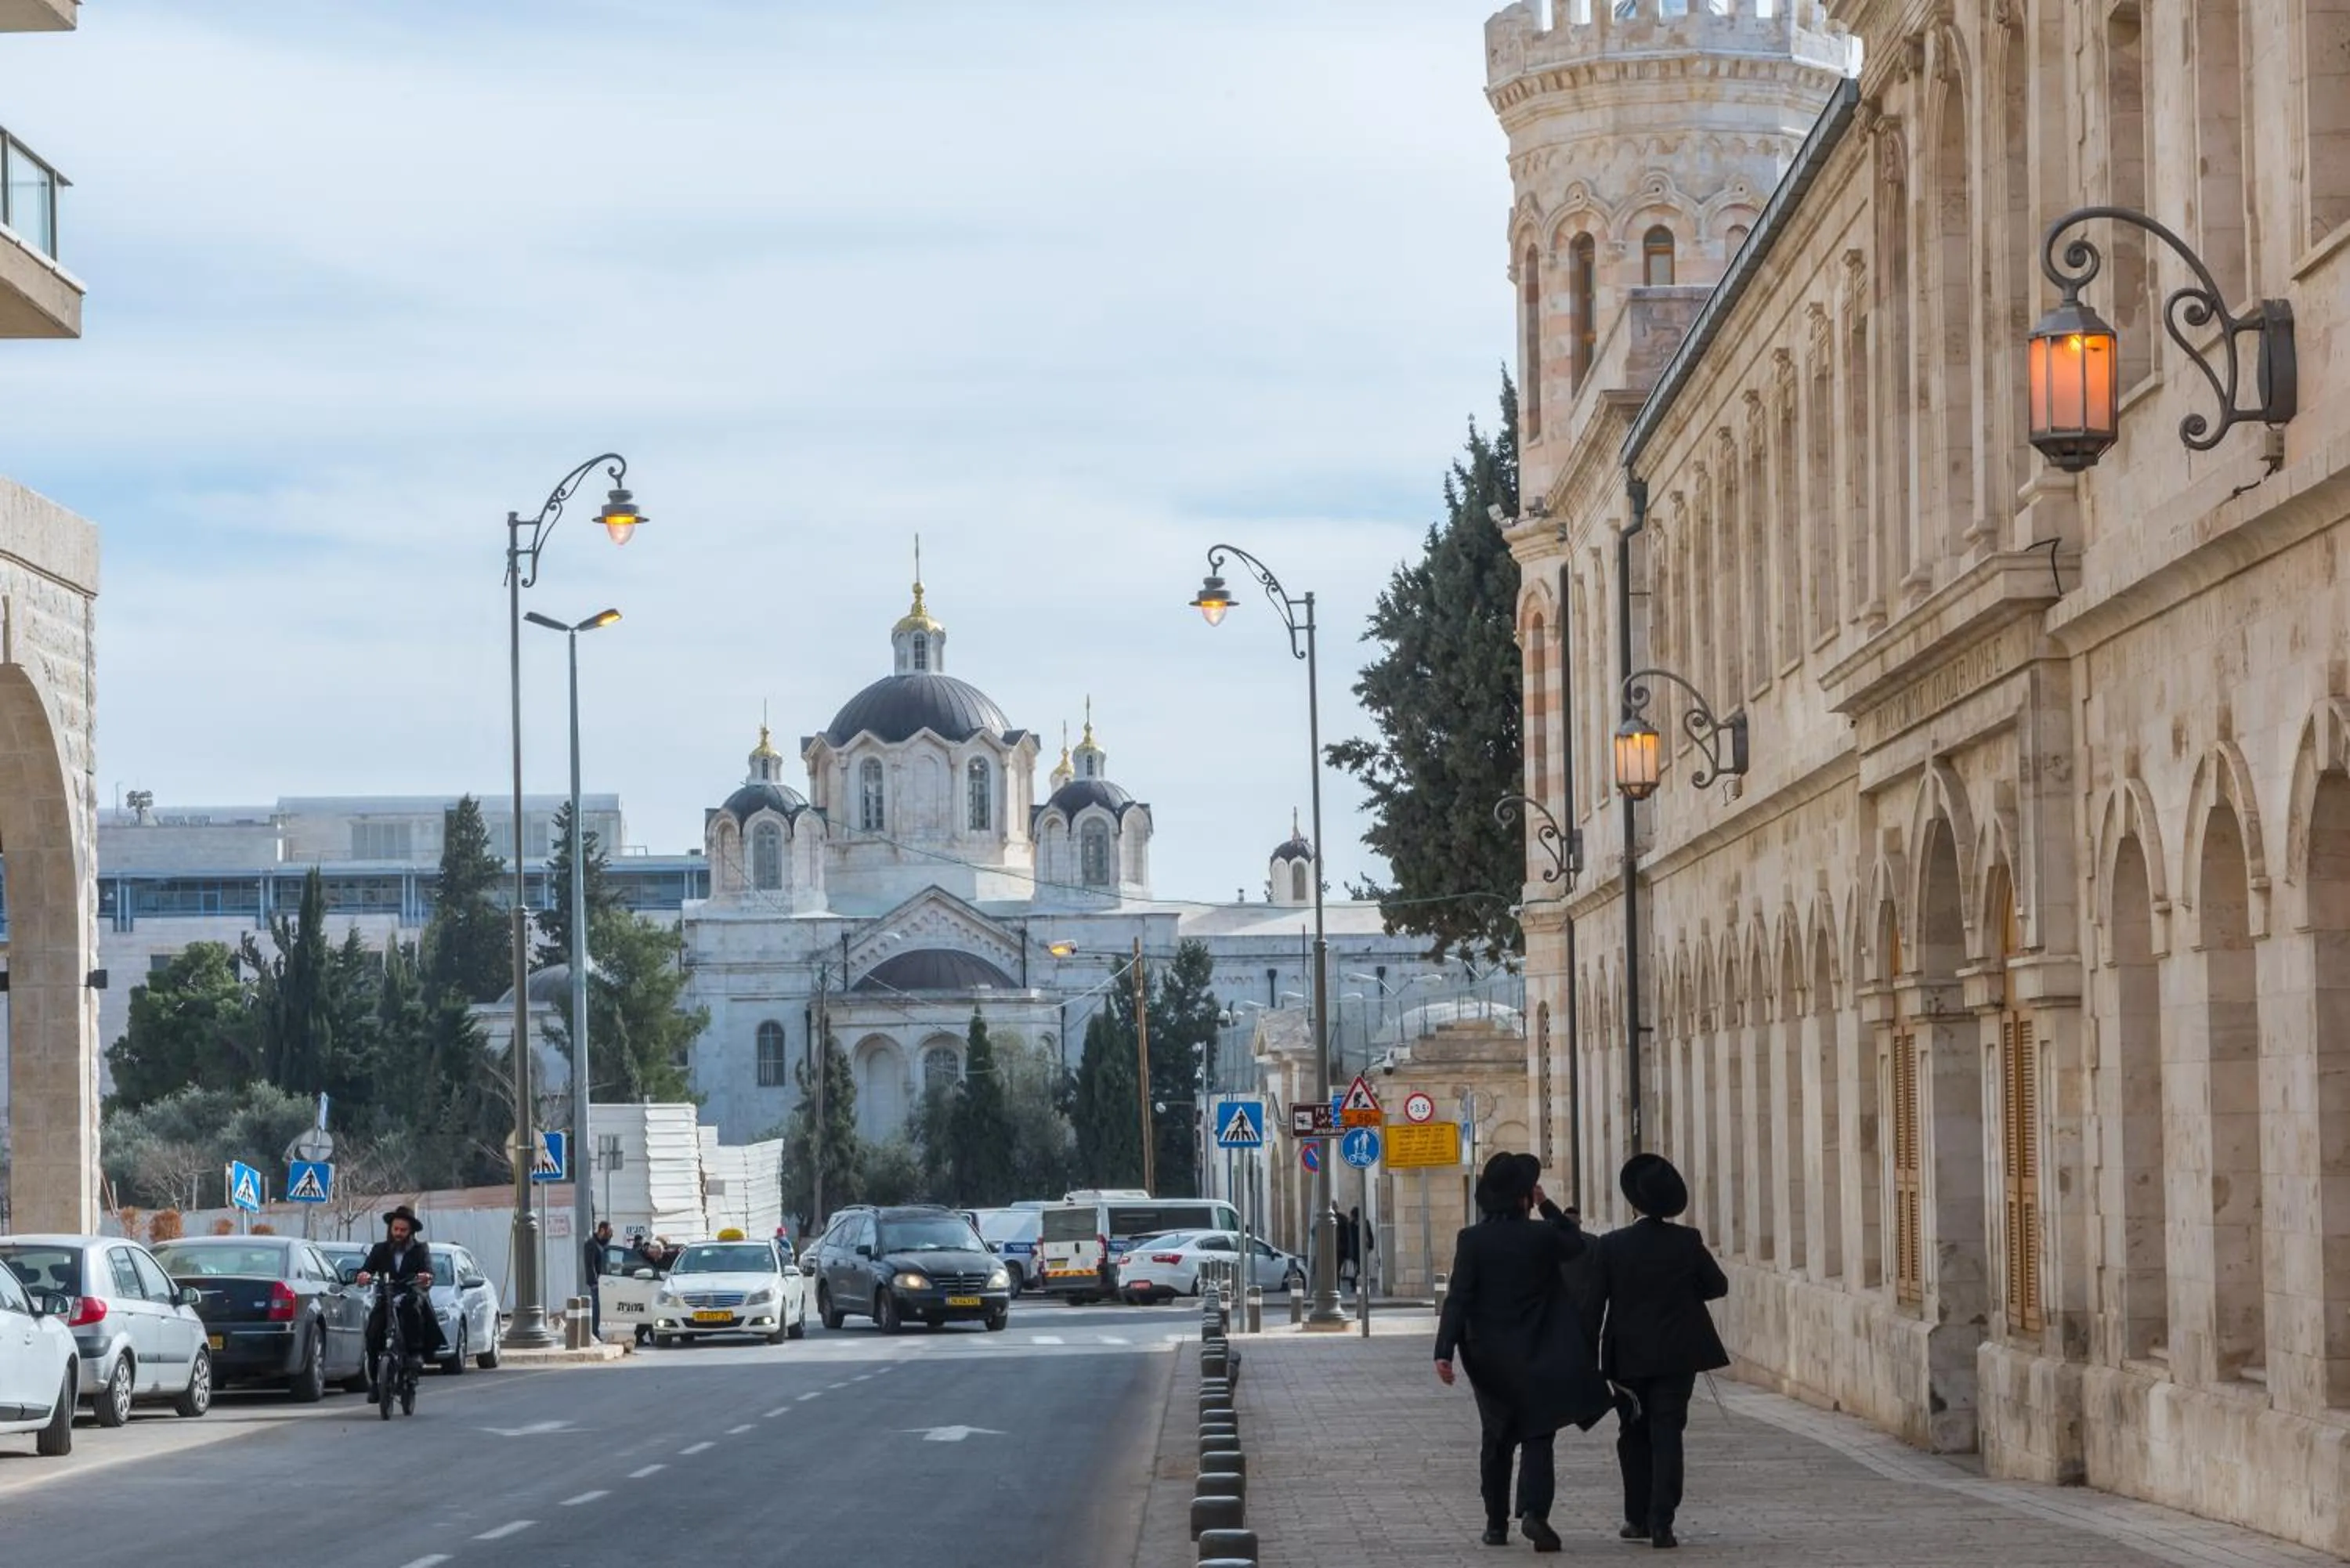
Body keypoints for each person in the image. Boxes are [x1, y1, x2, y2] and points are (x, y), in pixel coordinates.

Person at [1434, 1153, 1605, 1552]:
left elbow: (1458, 1299)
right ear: (1524, 1197)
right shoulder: (1543, 1236)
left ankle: (1495, 1525)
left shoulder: (1472, 1240)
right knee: (1538, 1433)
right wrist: (1547, 1206)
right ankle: (1534, 1512)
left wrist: (1444, 1351)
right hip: (1540, 1351)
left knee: (1496, 1436)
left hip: (1488, 1358)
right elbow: (1576, 1244)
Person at [1583, 1153, 1730, 1550]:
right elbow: (1718, 1285)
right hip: (1677, 1356)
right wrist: (1684, 1292)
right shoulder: (1687, 1241)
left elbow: (1593, 1306)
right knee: (1668, 1432)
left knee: (1633, 1433)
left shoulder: (1611, 1246)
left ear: (1634, 1202)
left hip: (1626, 1360)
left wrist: (1585, 1358)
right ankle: (1663, 1521)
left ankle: (1637, 1518)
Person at [353, 1205, 446, 1400]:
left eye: (403, 1231)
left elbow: (429, 1272)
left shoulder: (421, 1249)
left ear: (410, 1232)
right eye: (395, 1229)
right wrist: (363, 1275)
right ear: (390, 1229)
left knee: (413, 1310)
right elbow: (366, 1269)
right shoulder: (380, 1249)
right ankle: (376, 1384)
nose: (398, 1234)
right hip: (387, 1296)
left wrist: (425, 1277)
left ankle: (415, 1357)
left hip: (410, 1294)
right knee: (373, 1333)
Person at [584, 1219, 614, 1341]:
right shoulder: (591, 1244)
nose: (611, 1234)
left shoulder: (604, 1244)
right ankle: (594, 1333)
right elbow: (589, 1264)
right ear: (602, 1230)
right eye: (610, 1231)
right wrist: (594, 1282)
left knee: (601, 1308)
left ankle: (595, 1332)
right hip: (596, 1283)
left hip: (606, 1281)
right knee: (596, 1308)